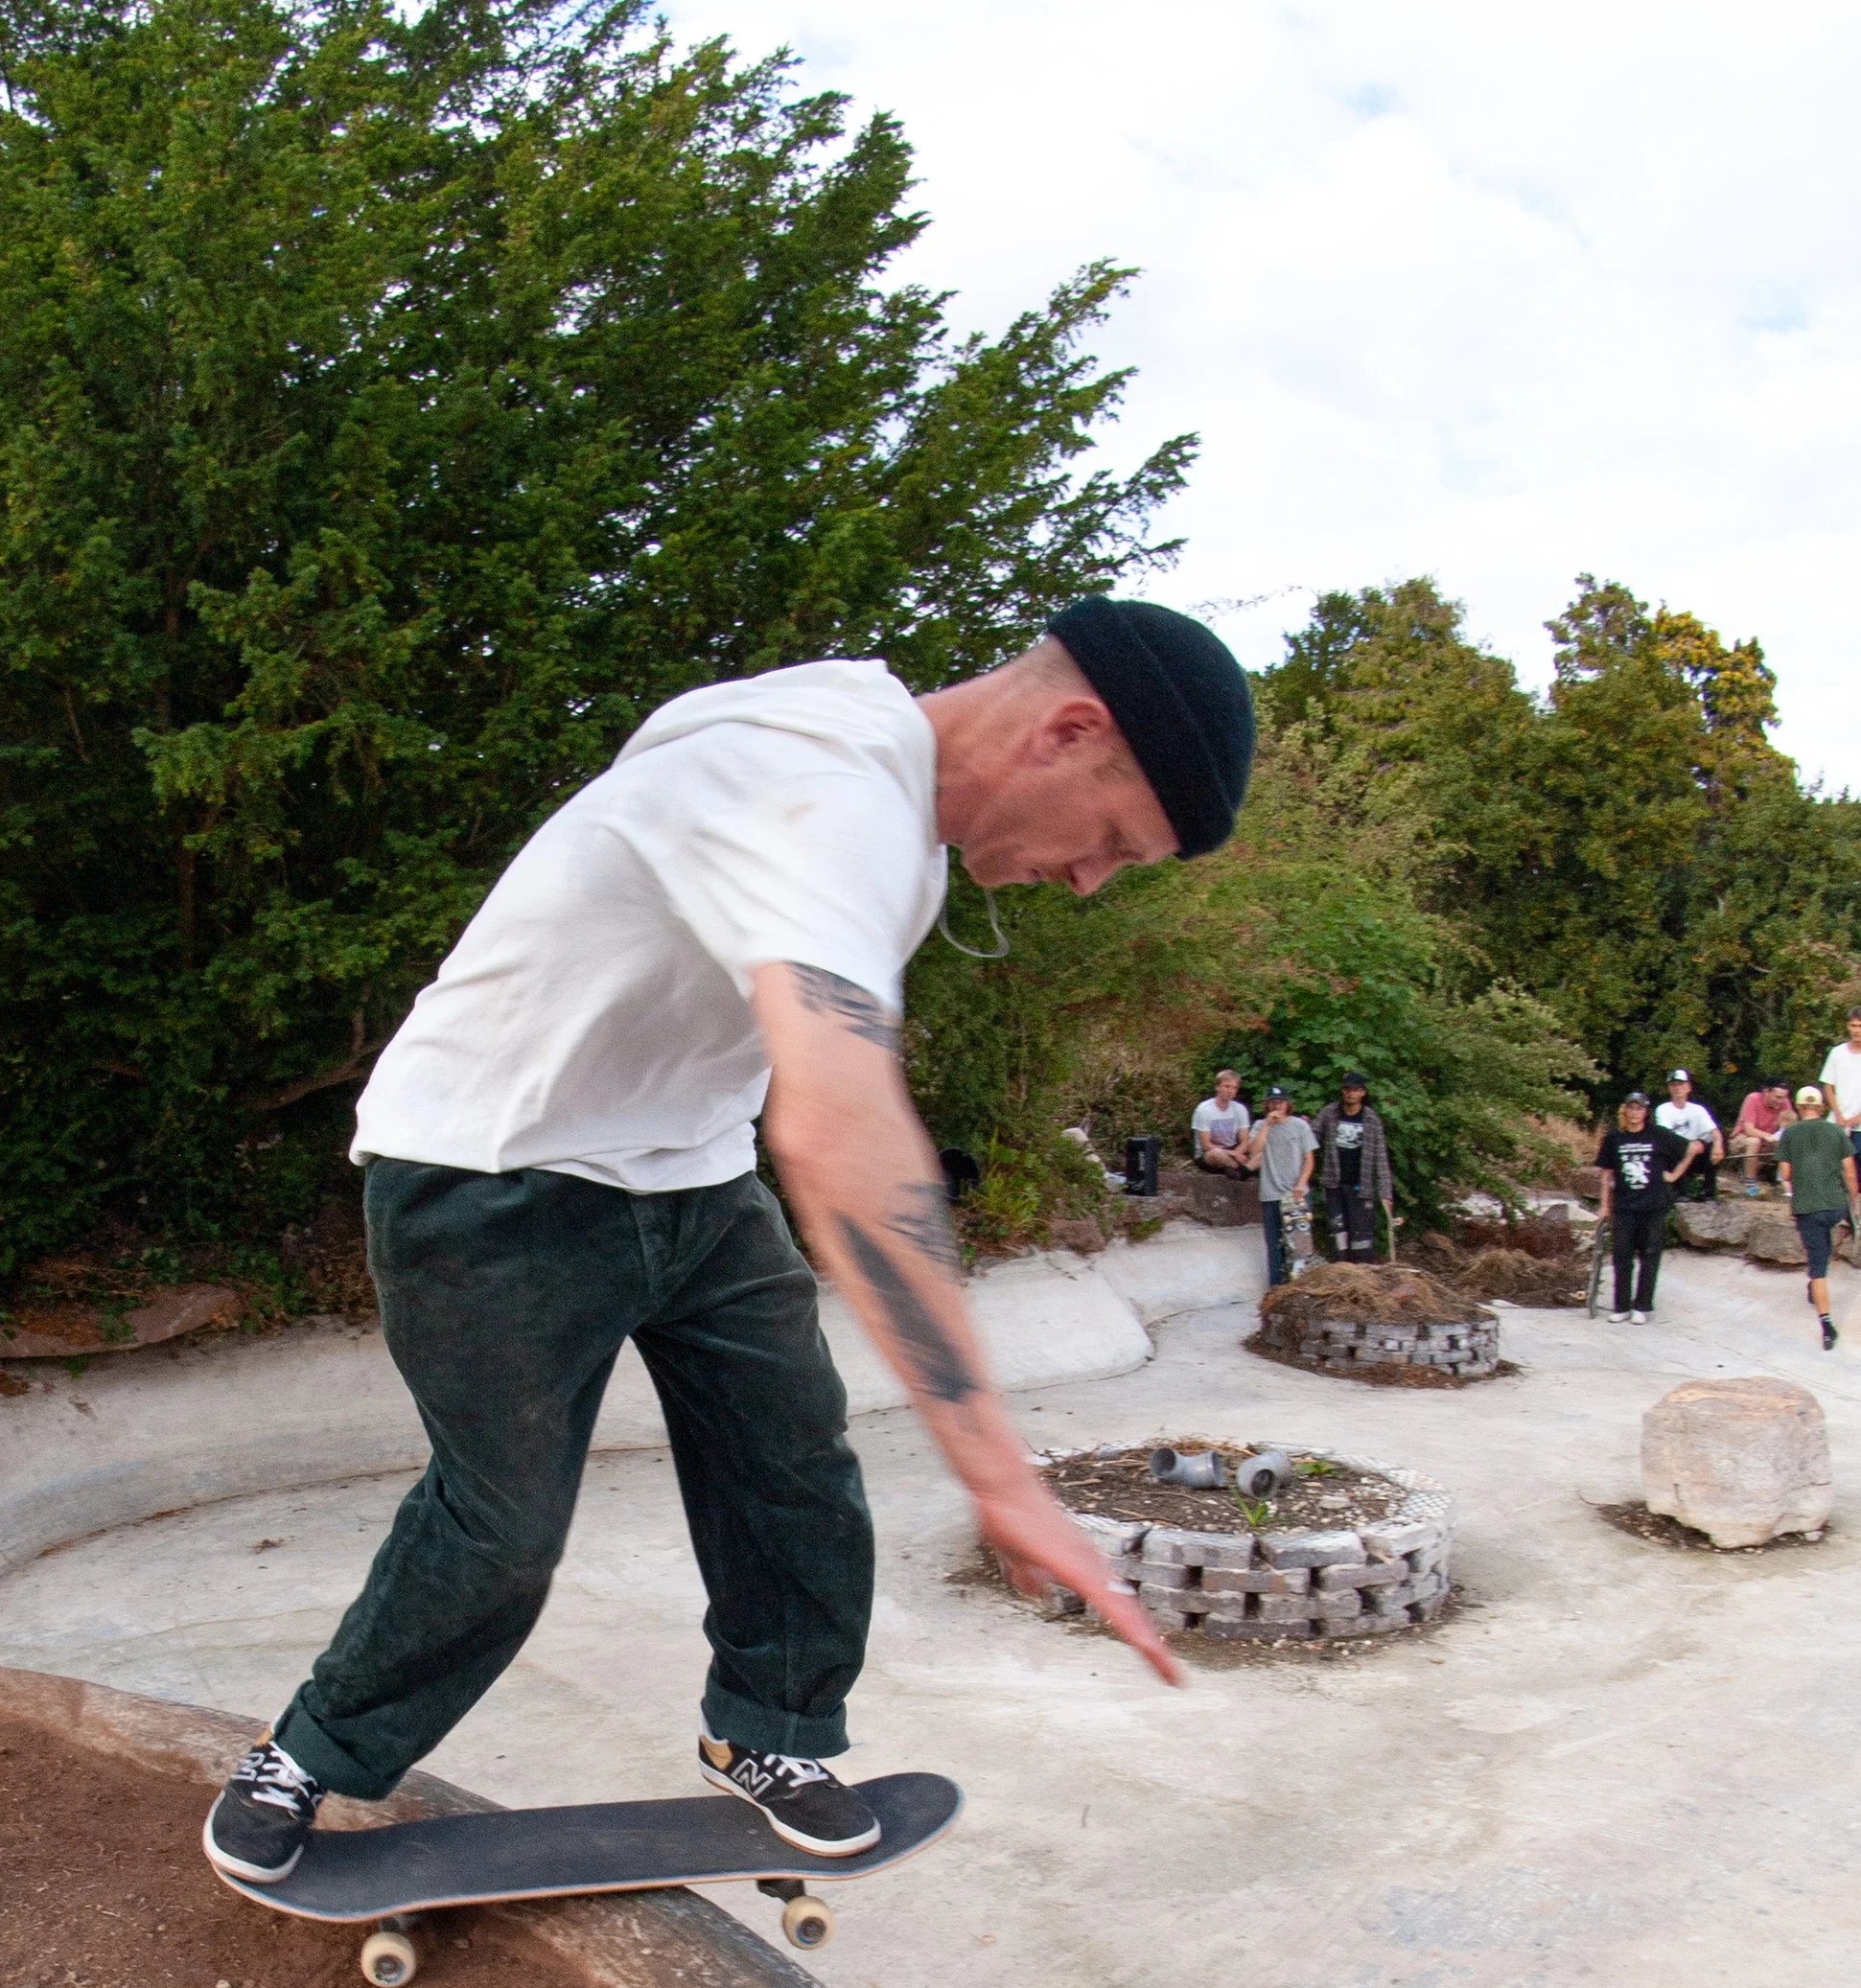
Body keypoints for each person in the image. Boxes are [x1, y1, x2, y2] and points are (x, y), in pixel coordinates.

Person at [200, 600, 1255, 1890]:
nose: (1087, 880)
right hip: (489, 1172)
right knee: (501, 1525)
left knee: (794, 1460)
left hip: (692, 1177)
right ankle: (306, 1755)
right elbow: (838, 1129)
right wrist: (1003, 1477)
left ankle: (771, 1731)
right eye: (1111, 841)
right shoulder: (824, 779)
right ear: (1070, 730)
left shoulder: (893, 823)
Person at [1593, 1091, 1700, 1321]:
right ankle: (1621, 1307)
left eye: (1639, 1108)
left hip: (1653, 1206)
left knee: (1649, 1256)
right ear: (1625, 1110)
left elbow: (1693, 1148)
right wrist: (1604, 1206)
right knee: (1622, 1257)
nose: (1635, 1113)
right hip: (1624, 1205)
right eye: (1631, 1108)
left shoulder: (1658, 1135)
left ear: (1646, 1111)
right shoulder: (1614, 1137)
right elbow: (1606, 1174)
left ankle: (1641, 1307)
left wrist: (1673, 1176)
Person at [1780, 1084, 1859, 1352]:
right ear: (1821, 1106)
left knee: (1817, 1266)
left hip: (1808, 1207)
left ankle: (1826, 1325)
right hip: (1835, 1204)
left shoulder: (1790, 1134)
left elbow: (1786, 1174)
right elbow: (1849, 1170)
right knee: (1827, 1240)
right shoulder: (1835, 1131)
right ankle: (1815, 1283)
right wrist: (1855, 1200)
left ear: (1800, 1108)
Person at [1315, 1075, 1393, 1260]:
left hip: (1361, 1187)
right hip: (1334, 1184)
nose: (1351, 1094)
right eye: (1347, 1089)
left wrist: (1385, 1192)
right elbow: (1311, 1136)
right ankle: (1341, 1274)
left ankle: (1363, 1278)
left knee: (1361, 1238)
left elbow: (1381, 1156)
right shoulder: (1329, 1113)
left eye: (1356, 1090)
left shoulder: (1371, 1119)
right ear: (1342, 1091)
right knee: (1337, 1233)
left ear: (1363, 1093)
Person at [1245, 1087, 1316, 1286]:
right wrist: (1267, 1124)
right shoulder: (1260, 1125)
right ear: (1267, 1104)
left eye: (1280, 1101)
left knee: (1300, 1242)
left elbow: (1309, 1159)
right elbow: (1253, 1150)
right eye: (1272, 1101)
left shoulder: (1300, 1126)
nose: (1276, 1105)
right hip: (1271, 1192)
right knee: (1274, 1243)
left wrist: (1301, 1184)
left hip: (1296, 1193)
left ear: (1287, 1104)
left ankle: (1301, 1285)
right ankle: (1276, 1286)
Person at [1653, 1069, 1724, 1201]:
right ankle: (1681, 1192)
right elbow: (1666, 1135)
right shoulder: (1663, 1109)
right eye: (1673, 1085)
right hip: (1674, 1157)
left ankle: (1708, 1191)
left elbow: (1714, 1131)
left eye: (1680, 1084)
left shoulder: (1698, 1109)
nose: (1677, 1088)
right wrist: (1690, 1145)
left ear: (1688, 1087)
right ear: (1669, 1088)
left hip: (1696, 1155)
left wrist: (1718, 1144)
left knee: (1716, 1144)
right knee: (1671, 1147)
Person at [1729, 1077, 1795, 1193]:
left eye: (1784, 1097)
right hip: (1743, 1139)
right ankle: (1751, 1185)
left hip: (1770, 1141)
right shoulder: (1752, 1099)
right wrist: (1767, 1136)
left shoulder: (1785, 1103)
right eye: (1778, 1097)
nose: (1781, 1101)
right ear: (1766, 1092)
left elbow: (1789, 1127)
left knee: (1791, 1143)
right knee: (1755, 1141)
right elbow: (1748, 1129)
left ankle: (1786, 1184)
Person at [1190, 1067, 1251, 1173]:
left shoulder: (1240, 1109)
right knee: (1216, 1154)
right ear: (1217, 1087)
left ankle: (1233, 1169)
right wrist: (1233, 1154)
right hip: (1209, 1153)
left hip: (1233, 1149)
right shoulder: (1204, 1109)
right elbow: (1206, 1145)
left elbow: (1244, 1140)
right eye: (1227, 1087)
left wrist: (1237, 1152)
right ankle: (1241, 1170)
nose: (1230, 1091)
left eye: (1234, 1088)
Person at [1825, 1010, 1861, 1179]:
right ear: (1848, 1026)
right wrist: (1838, 1114)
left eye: (1860, 1026)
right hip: (1836, 1123)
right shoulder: (1837, 1053)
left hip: (1859, 1127)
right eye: (1853, 1025)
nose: (1857, 1030)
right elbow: (1828, 1085)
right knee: (1833, 1170)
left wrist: (1857, 1118)